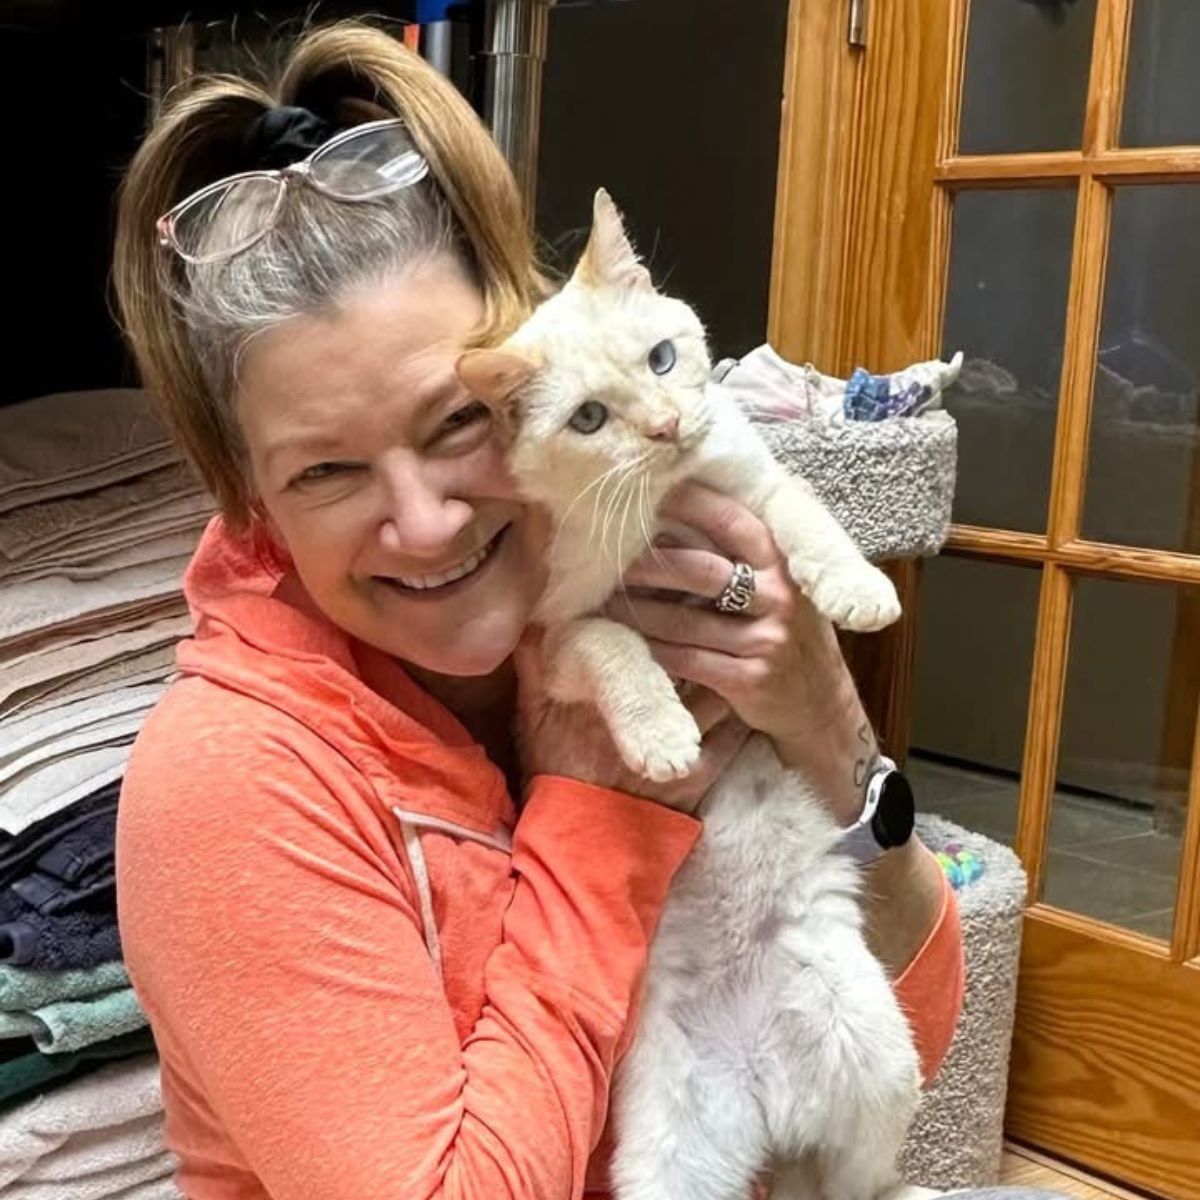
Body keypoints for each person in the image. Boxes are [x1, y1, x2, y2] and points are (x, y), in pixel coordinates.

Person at [111, 20, 991, 1200]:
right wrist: (600, 815)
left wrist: (833, 729)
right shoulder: (228, 786)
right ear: (252, 498)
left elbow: (906, 1042)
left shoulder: (652, 571)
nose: (422, 523)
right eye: (326, 472)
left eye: (455, 424)